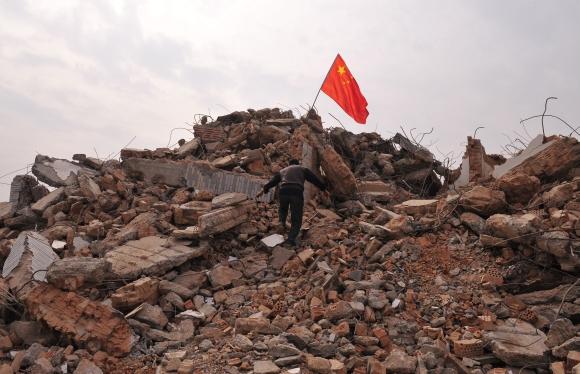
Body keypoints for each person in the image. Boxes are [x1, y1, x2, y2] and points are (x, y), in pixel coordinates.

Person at [263, 159, 327, 246]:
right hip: (296, 192)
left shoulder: (282, 171)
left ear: (289, 164)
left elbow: (273, 181)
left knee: (283, 210)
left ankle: (281, 223)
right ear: (297, 164)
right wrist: (323, 188)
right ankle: (290, 240)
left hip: (283, 192)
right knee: (296, 217)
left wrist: (266, 188)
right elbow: (314, 179)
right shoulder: (302, 169)